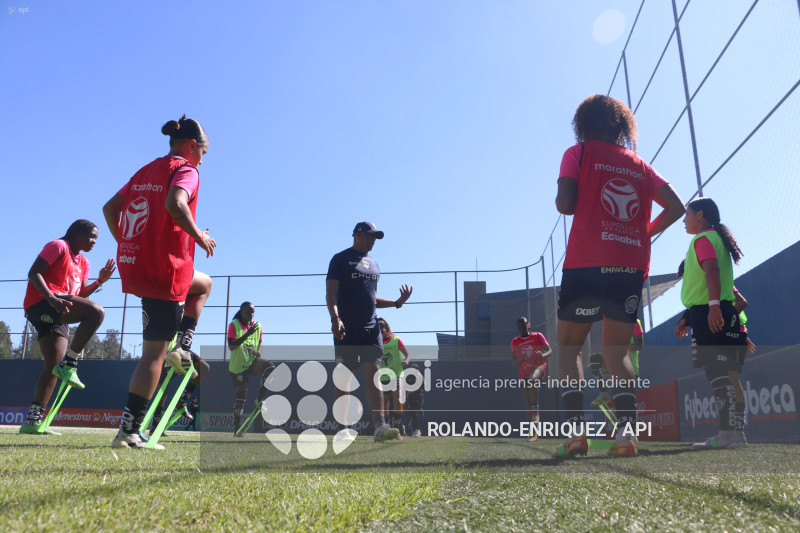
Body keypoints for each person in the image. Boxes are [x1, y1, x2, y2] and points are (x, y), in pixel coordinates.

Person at [553, 94, 685, 458]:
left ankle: (576, 435)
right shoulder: (641, 165)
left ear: (583, 125)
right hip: (629, 263)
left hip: (585, 263)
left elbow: (565, 205)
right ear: (621, 127)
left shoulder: (576, 154)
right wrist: (644, 230)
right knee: (618, 353)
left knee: (568, 349)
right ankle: (626, 436)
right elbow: (677, 207)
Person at [103, 115, 215, 450]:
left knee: (204, 283)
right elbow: (175, 204)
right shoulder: (187, 170)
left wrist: (126, 243)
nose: (201, 161)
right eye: (203, 154)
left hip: (140, 266)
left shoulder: (147, 169)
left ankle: (183, 345)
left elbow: (111, 208)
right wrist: (199, 237)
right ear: (192, 146)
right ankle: (129, 431)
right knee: (153, 354)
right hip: (167, 270)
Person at [19, 220, 115, 434]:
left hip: (59, 308)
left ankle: (32, 423)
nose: (94, 242)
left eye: (96, 239)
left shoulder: (84, 263)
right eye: (91, 236)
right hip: (42, 303)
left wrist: (99, 282)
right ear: (76, 233)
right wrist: (51, 297)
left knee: (52, 368)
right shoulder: (58, 246)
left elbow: (78, 296)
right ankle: (70, 363)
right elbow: (34, 273)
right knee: (97, 312)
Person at [326, 221, 413, 442]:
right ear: (357, 235)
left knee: (374, 376)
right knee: (344, 379)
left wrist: (396, 303)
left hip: (371, 328)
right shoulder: (340, 259)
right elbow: (331, 292)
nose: (373, 240)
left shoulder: (374, 264)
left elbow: (372, 299)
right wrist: (335, 318)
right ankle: (342, 429)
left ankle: (380, 427)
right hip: (346, 327)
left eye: (375, 237)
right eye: (369, 235)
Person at [673, 201, 746, 449]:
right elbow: (706, 282)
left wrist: (712, 306)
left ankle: (727, 435)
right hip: (716, 309)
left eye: (687, 215)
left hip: (711, 311)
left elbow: (711, 272)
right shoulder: (717, 238)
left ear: (700, 215)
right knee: (725, 373)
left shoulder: (702, 239)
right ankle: (734, 434)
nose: (684, 220)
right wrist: (688, 316)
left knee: (717, 373)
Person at [227, 302, 274, 436]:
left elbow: (260, 341)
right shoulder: (234, 325)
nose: (251, 314)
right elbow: (231, 346)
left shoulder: (257, 326)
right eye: (248, 312)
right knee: (241, 398)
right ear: (241, 312)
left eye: (253, 312)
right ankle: (237, 429)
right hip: (237, 368)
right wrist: (247, 335)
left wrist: (258, 351)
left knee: (270, 367)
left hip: (251, 362)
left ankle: (259, 399)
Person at [510, 317, 551, 442]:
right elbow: (513, 361)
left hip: (539, 366)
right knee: (528, 403)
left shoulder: (538, 336)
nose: (522, 329)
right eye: (519, 328)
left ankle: (536, 407)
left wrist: (542, 355)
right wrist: (520, 359)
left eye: (523, 326)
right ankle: (533, 433)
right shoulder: (515, 342)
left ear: (529, 325)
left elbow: (549, 351)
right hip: (524, 371)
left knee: (533, 381)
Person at [378, 317, 410, 437]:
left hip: (396, 373)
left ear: (386, 329)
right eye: (378, 330)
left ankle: (397, 422)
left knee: (396, 397)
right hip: (383, 374)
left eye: (382, 329)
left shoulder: (396, 340)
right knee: (384, 401)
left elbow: (407, 354)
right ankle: (387, 425)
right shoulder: (376, 342)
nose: (381, 332)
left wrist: (406, 360)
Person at [404, 363, 424, 438]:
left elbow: (419, 387)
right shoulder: (409, 377)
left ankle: (417, 430)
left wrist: (411, 391)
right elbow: (407, 386)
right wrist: (408, 394)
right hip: (411, 398)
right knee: (412, 414)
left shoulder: (420, 376)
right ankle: (415, 430)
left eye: (412, 368)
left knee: (414, 413)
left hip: (418, 397)